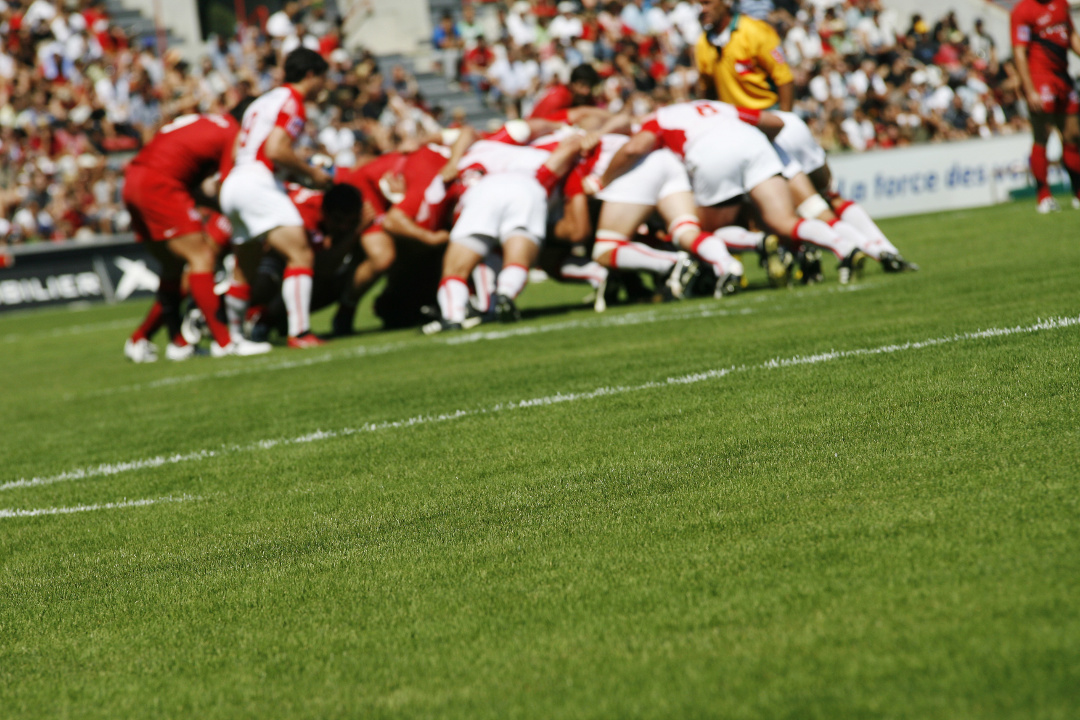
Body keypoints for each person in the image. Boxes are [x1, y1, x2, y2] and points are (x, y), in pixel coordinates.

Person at [122, 104, 272, 361]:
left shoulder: (208, 123)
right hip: (161, 184)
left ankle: (170, 342)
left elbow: (195, 182)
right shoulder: (232, 131)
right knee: (202, 257)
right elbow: (228, 185)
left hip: (134, 182)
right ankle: (226, 342)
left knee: (173, 268)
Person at [219, 47, 333, 349]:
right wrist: (311, 173)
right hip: (258, 181)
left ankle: (233, 339)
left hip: (235, 181)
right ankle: (300, 332)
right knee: (301, 254)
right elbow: (275, 149)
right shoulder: (293, 102)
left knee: (245, 267)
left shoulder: (262, 101)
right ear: (311, 75)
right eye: (323, 78)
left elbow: (239, 148)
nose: (324, 85)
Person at [1010, 0, 1080, 212]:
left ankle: (1078, 194)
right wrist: (1029, 89)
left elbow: (1071, 35)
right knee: (1043, 135)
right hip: (1039, 78)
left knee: (1073, 135)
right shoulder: (1023, 11)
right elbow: (1019, 52)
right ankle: (1044, 197)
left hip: (1063, 77)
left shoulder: (1061, 4)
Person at [694, 0, 793, 111]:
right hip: (732, 115)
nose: (702, 10)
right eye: (699, 5)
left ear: (727, 3)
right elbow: (707, 88)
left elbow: (784, 78)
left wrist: (785, 116)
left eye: (707, 3)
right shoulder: (703, 43)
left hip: (765, 112)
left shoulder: (755, 31)